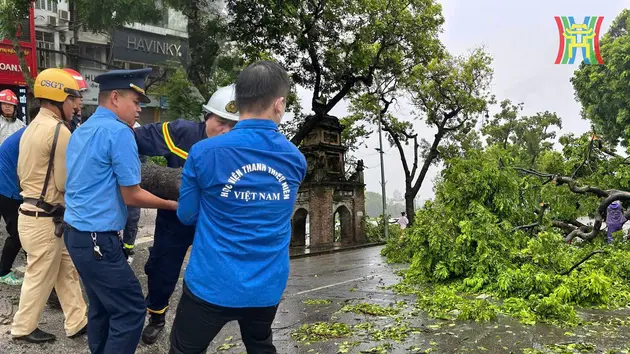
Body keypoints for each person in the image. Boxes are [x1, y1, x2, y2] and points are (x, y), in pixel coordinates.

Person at [168, 60, 307, 354]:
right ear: (279, 104)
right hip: (266, 286)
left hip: (211, 283)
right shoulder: (295, 159)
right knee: (259, 345)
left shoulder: (204, 152)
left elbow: (187, 214)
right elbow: (278, 214)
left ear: (238, 101)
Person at [63, 68, 178, 354]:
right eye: (136, 101)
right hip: (97, 240)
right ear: (115, 97)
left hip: (76, 235)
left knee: (102, 308)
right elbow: (132, 194)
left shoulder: (83, 129)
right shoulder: (119, 132)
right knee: (130, 310)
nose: (140, 109)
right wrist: (172, 205)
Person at [135, 84, 239, 344]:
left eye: (233, 125)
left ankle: (204, 323)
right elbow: (133, 138)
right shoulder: (182, 132)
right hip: (174, 218)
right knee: (161, 269)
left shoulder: (239, 146)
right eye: (221, 121)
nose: (226, 130)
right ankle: (157, 316)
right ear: (207, 116)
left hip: (212, 224)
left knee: (211, 274)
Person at [12, 68, 88, 343]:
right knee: (40, 275)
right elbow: (66, 184)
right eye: (73, 99)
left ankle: (77, 321)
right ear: (58, 99)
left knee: (65, 269)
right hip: (45, 219)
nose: (77, 105)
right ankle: (23, 328)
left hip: (34, 214)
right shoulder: (59, 131)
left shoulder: (31, 127)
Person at [0, 126, 26, 286]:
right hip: (6, 187)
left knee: (22, 230)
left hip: (7, 183)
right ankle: (3, 272)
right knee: (17, 232)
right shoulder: (32, 135)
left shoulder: (30, 131)